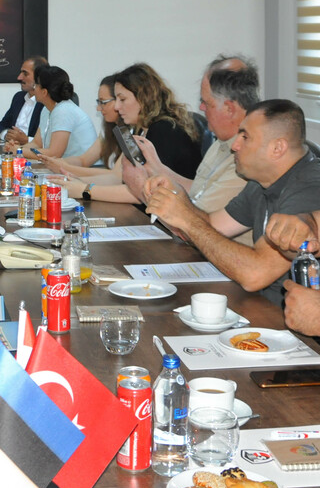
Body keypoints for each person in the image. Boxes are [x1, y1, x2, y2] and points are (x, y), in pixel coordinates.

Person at [146, 99, 320, 304]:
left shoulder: (310, 187)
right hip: (261, 305)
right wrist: (177, 199)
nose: (235, 146)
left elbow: (255, 274)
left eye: (245, 137)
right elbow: (213, 226)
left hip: (284, 316)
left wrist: (187, 219)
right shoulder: (261, 181)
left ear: (277, 148)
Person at [133, 56, 259, 243]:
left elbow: (197, 229)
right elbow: (199, 191)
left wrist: (140, 190)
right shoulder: (221, 141)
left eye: (206, 102)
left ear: (229, 109)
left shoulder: (248, 155)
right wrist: (158, 168)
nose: (201, 107)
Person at [47, 62, 202, 203]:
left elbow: (143, 193)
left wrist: (85, 190)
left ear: (144, 97)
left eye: (122, 100)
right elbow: (118, 178)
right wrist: (77, 181)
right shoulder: (141, 129)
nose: (117, 107)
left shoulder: (164, 130)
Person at [8, 65, 96, 161]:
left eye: (36, 85)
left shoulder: (64, 111)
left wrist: (19, 151)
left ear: (44, 92)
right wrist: (15, 147)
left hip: (86, 167)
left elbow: (54, 153)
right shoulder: (46, 109)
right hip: (65, 165)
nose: (34, 89)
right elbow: (37, 144)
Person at [39, 74, 121, 174]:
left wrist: (64, 167)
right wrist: (59, 162)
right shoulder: (109, 128)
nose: (98, 108)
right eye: (98, 102)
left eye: (104, 102)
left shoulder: (131, 133)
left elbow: (115, 176)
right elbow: (83, 160)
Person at [0, 56, 47, 146]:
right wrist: (7, 135)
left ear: (39, 77)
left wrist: (27, 140)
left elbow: (51, 140)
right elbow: (0, 126)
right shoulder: (19, 97)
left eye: (25, 74)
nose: (19, 77)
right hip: (13, 149)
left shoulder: (47, 102)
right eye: (20, 73)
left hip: (36, 152)